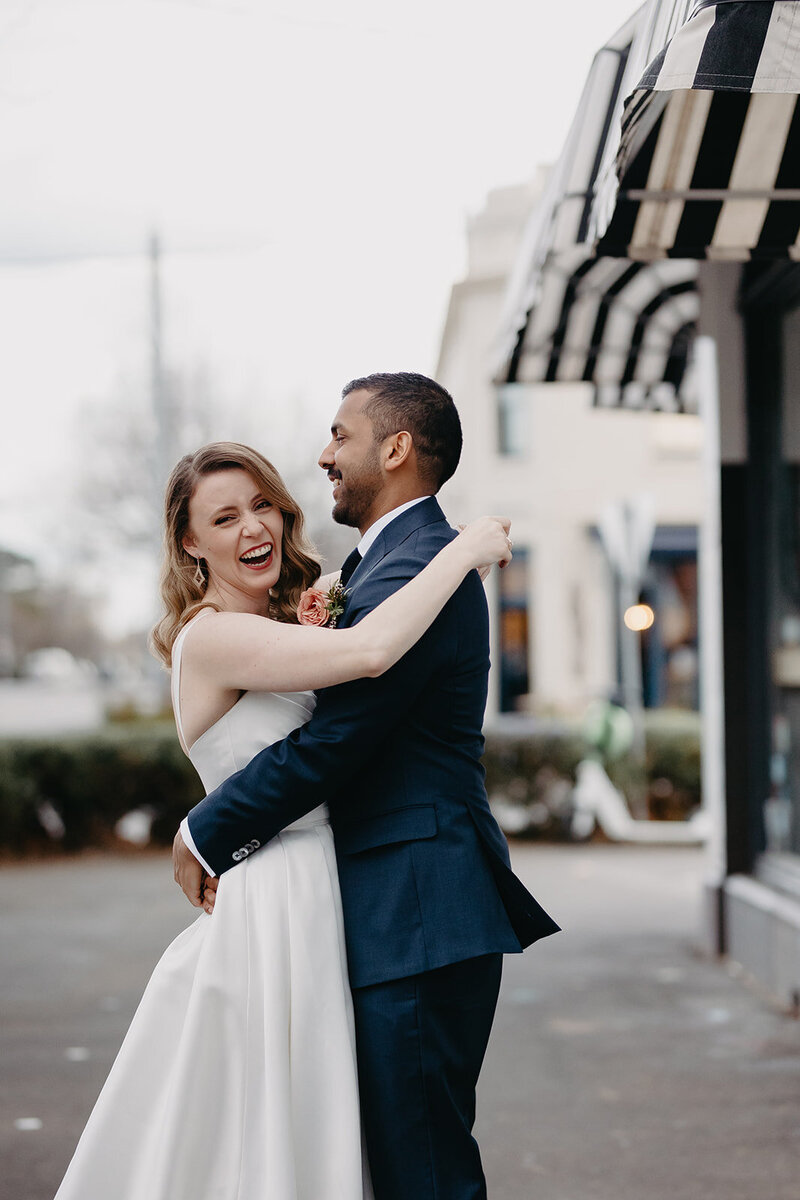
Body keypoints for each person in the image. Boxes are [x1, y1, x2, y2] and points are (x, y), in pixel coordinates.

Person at [53, 438, 516, 1200]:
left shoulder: (281, 624)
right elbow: (370, 651)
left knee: (317, 1125)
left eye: (262, 505)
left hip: (325, 889)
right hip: (274, 901)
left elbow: (352, 627)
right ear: (190, 543)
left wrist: (328, 598)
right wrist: (463, 549)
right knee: (271, 1125)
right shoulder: (213, 636)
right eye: (225, 517)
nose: (252, 528)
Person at [175, 373, 560, 1200]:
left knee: (421, 1171)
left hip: (416, 907)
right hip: (372, 909)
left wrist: (205, 829)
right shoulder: (391, 566)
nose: (324, 455)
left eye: (340, 436)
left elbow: (337, 738)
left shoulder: (416, 565)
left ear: (394, 449)